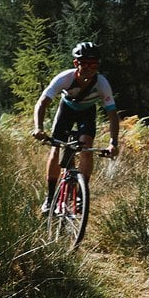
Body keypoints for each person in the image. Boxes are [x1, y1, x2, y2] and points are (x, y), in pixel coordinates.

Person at [32, 42, 120, 213]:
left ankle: (81, 195)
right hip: (66, 111)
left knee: (86, 150)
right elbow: (42, 103)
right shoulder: (64, 78)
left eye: (93, 64)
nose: (89, 68)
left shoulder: (102, 83)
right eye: (84, 63)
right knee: (56, 149)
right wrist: (38, 127)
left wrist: (113, 143)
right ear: (76, 64)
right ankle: (50, 198)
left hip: (87, 113)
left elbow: (112, 115)